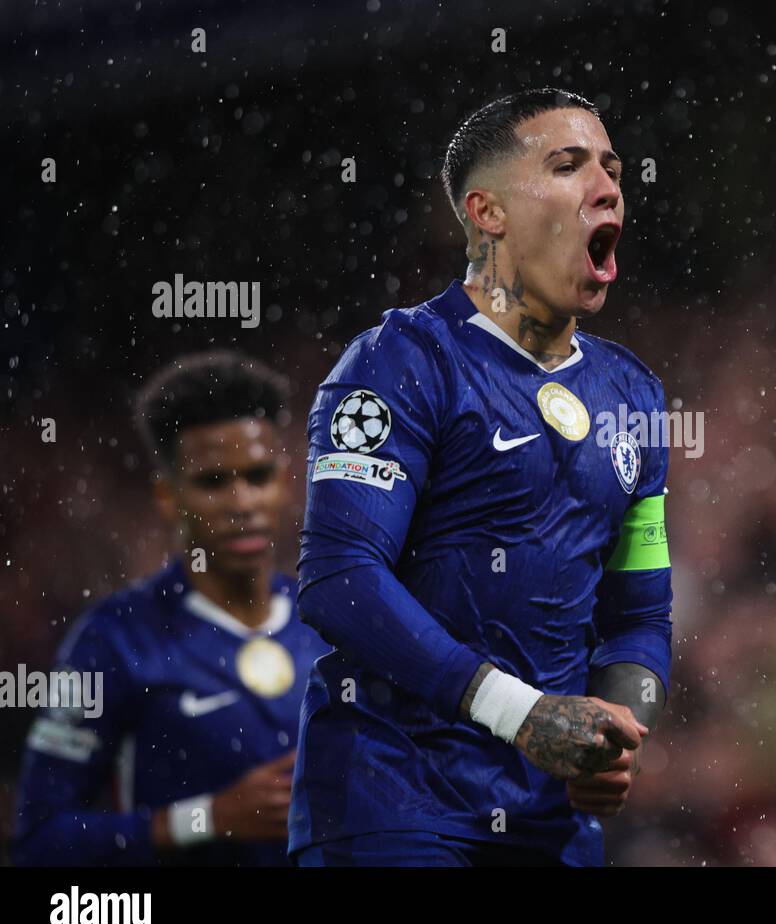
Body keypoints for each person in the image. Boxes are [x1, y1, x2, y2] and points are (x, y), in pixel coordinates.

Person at [290, 88, 673, 866]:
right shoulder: (399, 364)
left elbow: (639, 614)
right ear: (487, 212)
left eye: (612, 169)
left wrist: (618, 728)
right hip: (396, 806)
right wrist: (521, 713)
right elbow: (338, 576)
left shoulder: (634, 396)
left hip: (551, 828)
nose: (605, 186)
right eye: (567, 166)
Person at [12, 351, 329, 865]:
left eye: (257, 475)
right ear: (167, 495)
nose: (242, 502)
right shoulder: (113, 641)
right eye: (213, 482)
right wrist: (207, 818)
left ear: (286, 481)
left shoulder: (329, 624)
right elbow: (40, 840)